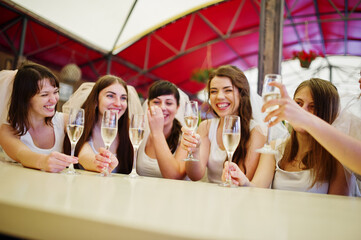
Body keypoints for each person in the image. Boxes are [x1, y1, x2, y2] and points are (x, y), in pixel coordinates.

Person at [223, 78, 349, 195]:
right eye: (298, 104)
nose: (302, 111)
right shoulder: (275, 148)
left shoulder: (338, 156)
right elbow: (257, 189)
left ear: (327, 113)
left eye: (313, 107)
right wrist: (242, 181)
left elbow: (340, 207)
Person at [181, 65, 266, 183]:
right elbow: (195, 176)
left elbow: (241, 180)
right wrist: (194, 151)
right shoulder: (206, 126)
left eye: (228, 90)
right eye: (213, 91)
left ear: (241, 94)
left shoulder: (256, 131)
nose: (219, 97)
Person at [0, 63, 77, 172]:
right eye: (44, 95)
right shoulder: (8, 130)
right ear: (25, 98)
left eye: (55, 92)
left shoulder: (65, 121)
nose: (54, 100)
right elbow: (22, 154)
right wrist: (44, 161)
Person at [66, 75, 133, 174]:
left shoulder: (129, 132)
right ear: (96, 100)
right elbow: (84, 156)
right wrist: (99, 163)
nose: (118, 103)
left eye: (123, 98)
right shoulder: (81, 127)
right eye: (110, 96)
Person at [137, 80, 188, 179]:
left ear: (177, 107)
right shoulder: (140, 133)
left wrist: (157, 132)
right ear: (148, 106)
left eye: (169, 103)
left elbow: (174, 177)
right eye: (156, 102)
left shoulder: (185, 139)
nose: (162, 107)